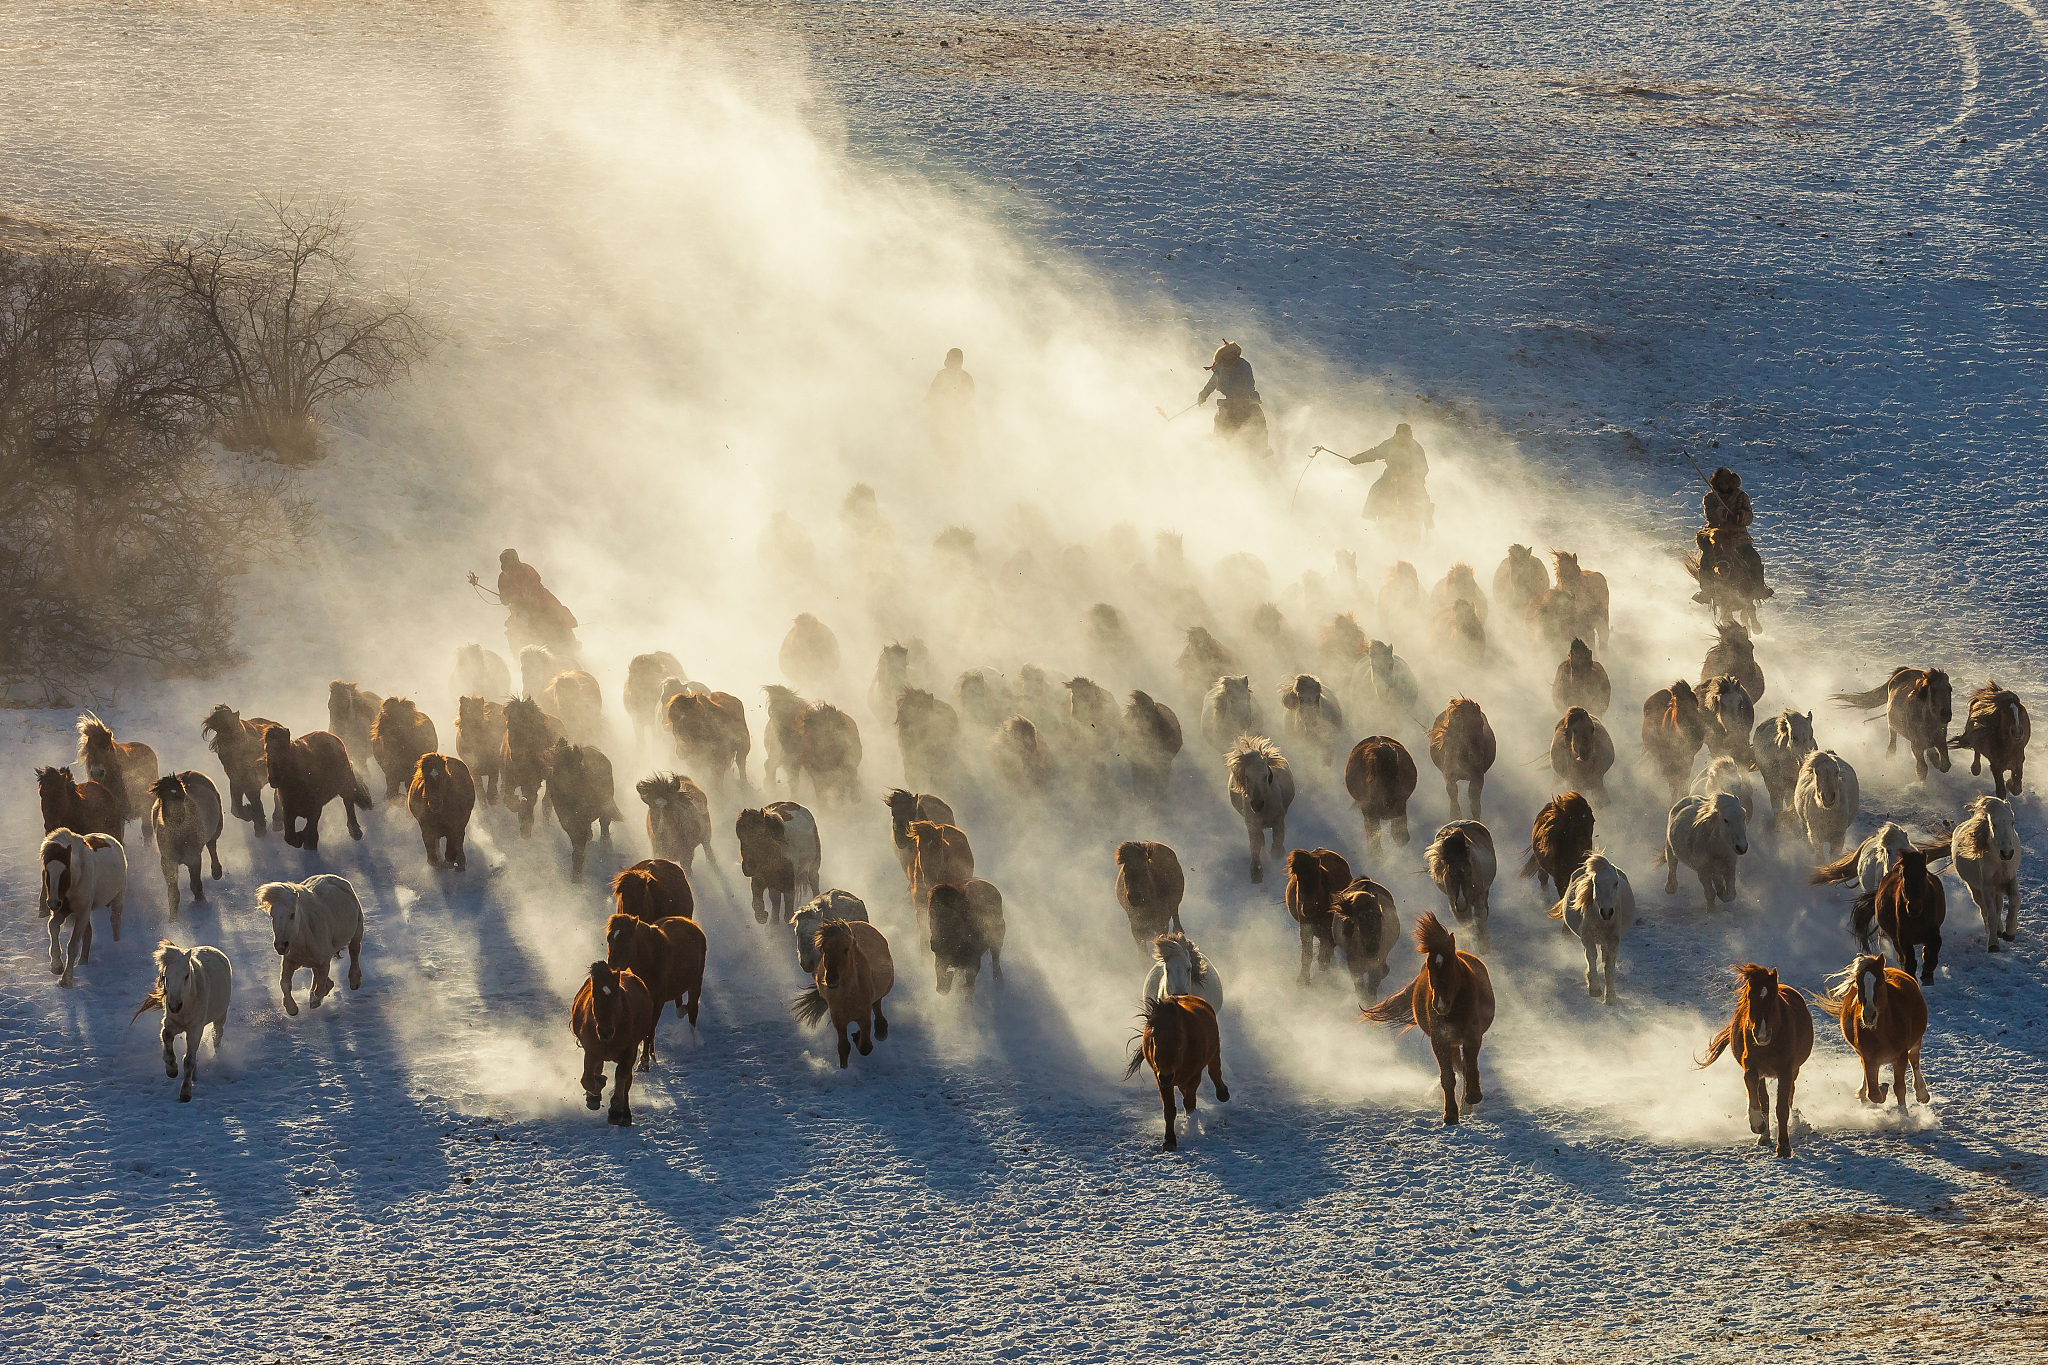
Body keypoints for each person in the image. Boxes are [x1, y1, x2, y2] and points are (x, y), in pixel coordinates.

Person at [1697, 467, 1772, 601]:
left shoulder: (1741, 497)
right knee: (1706, 559)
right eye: (1721, 484)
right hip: (1716, 535)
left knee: (1754, 558)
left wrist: (1739, 517)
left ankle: (1759, 588)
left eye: (1726, 483)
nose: (1723, 486)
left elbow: (1749, 516)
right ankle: (1706, 592)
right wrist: (1723, 514)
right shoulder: (1710, 497)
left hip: (1738, 536)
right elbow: (1710, 515)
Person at [1346, 422, 1434, 534]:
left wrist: (1410, 475)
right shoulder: (1389, 444)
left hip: (1411, 481)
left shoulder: (1416, 448)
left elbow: (1423, 468)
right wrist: (1357, 459)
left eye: (1407, 437)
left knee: (1423, 500)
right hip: (1391, 476)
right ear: (1397, 435)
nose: (1405, 440)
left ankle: (1425, 520)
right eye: (1402, 437)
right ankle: (1379, 517)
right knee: (1376, 489)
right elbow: (1374, 453)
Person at [497, 548, 580, 655]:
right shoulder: (503, 577)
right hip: (520, 608)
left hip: (540, 600)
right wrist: (513, 598)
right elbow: (504, 599)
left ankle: (570, 642)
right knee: (516, 628)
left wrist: (529, 597)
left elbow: (535, 584)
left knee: (557, 613)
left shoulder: (526, 569)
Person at [1196, 341, 1271, 459]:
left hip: (1247, 399)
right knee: (1221, 419)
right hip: (1230, 400)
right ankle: (1221, 443)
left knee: (1258, 419)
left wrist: (1245, 393)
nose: (1228, 356)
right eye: (1226, 355)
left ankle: (1261, 448)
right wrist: (1203, 395)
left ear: (1235, 353)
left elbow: (1249, 381)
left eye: (1230, 354)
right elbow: (1213, 382)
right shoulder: (1220, 367)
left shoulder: (1244, 365)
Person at [924, 348, 976, 458]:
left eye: (951, 358)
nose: (948, 361)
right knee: (939, 447)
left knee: (955, 448)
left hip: (957, 418)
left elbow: (968, 396)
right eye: (949, 358)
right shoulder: (942, 375)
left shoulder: (965, 377)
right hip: (941, 417)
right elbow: (932, 394)